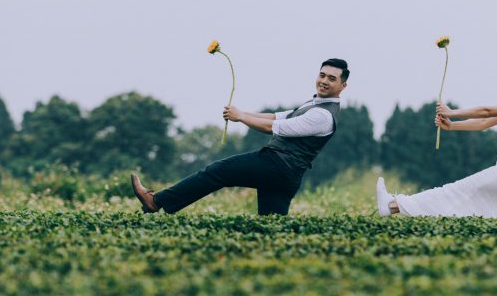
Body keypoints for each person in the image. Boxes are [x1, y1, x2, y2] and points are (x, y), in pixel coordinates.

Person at [131, 58, 349, 216]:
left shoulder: (323, 115)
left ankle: (156, 201)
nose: (324, 81)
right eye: (322, 75)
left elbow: (278, 127)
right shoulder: (314, 104)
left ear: (342, 85)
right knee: (271, 224)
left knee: (217, 172)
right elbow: (277, 115)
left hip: (276, 165)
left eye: (332, 78)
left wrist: (241, 117)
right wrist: (241, 112)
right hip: (286, 175)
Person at [376, 51, 497, 218]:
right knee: (477, 208)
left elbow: (487, 111)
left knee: (455, 191)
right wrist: (452, 126)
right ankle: (393, 206)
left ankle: (393, 205)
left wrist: (452, 112)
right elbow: (484, 123)